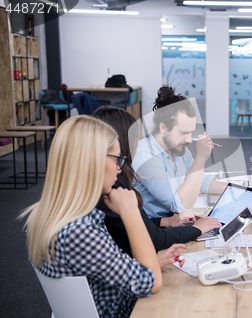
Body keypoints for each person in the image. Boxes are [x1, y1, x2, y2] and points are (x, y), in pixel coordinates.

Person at [21, 116, 187, 317]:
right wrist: (130, 211)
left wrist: (152, 261)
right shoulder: (80, 230)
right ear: (92, 162)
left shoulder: (48, 214)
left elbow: (99, 267)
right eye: (117, 159)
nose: (119, 168)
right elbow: (152, 282)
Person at [92, 106, 221, 256]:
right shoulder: (115, 183)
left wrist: (166, 221)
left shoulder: (180, 152)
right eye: (184, 133)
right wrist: (196, 229)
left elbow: (132, 224)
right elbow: (152, 236)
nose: (138, 144)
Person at [132, 86, 227, 218]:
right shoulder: (146, 156)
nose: (189, 140)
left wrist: (237, 190)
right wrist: (201, 158)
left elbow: (200, 180)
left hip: (174, 222)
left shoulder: (179, 150)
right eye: (184, 133)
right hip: (154, 229)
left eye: (191, 132)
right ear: (164, 128)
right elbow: (180, 206)